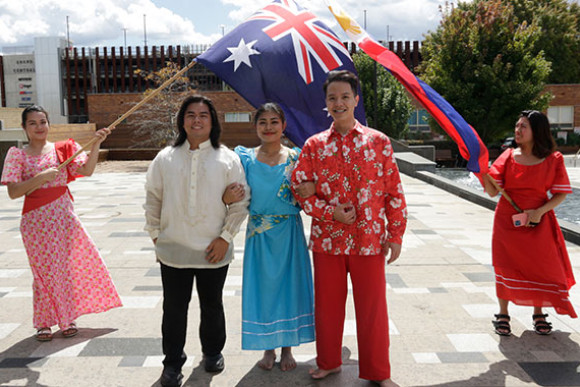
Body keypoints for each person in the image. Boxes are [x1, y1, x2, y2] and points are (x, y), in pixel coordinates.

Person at [290, 70, 407, 387]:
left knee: (372, 309)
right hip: (327, 242)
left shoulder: (378, 142)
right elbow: (298, 189)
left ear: (356, 100)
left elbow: (393, 192)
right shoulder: (314, 146)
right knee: (327, 307)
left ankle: (378, 371)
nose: (338, 103)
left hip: (368, 241)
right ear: (325, 104)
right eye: (332, 98)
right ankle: (328, 361)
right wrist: (329, 213)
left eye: (344, 97)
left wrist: (395, 234)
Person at [144, 95, 250, 387]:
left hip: (213, 249)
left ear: (212, 121)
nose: (197, 120)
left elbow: (241, 204)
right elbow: (153, 198)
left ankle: (213, 352)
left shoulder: (227, 158)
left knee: (212, 305)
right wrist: (156, 235)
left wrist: (225, 238)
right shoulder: (165, 157)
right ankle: (172, 364)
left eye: (203, 115)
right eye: (190, 114)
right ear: (182, 121)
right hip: (173, 249)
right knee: (174, 309)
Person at [0, 105, 122, 342]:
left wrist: (96, 143)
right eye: (33, 123)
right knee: (42, 272)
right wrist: (40, 178)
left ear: (49, 124)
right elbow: (13, 192)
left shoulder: (64, 149)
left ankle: (68, 319)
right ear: (24, 127)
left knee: (64, 269)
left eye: (43, 121)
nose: (39, 127)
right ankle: (43, 322)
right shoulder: (18, 155)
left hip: (64, 218)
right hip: (35, 221)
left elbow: (87, 170)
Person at [227, 103, 314, 371]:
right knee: (263, 290)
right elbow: (231, 189)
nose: (268, 127)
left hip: (289, 232)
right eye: (262, 122)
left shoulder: (296, 157)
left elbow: (310, 192)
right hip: (259, 234)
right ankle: (268, 349)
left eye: (274, 121)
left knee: (289, 288)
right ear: (255, 126)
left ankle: (287, 348)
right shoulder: (245, 159)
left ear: (283, 125)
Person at [484, 110, 576, 336]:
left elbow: (560, 194)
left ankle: (539, 313)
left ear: (537, 130)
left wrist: (540, 211)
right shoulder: (507, 156)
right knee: (505, 264)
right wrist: (482, 172)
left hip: (539, 222)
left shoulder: (553, 159)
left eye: (523, 126)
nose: (518, 130)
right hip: (507, 223)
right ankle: (503, 314)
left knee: (540, 267)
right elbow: (491, 192)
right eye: (517, 126)